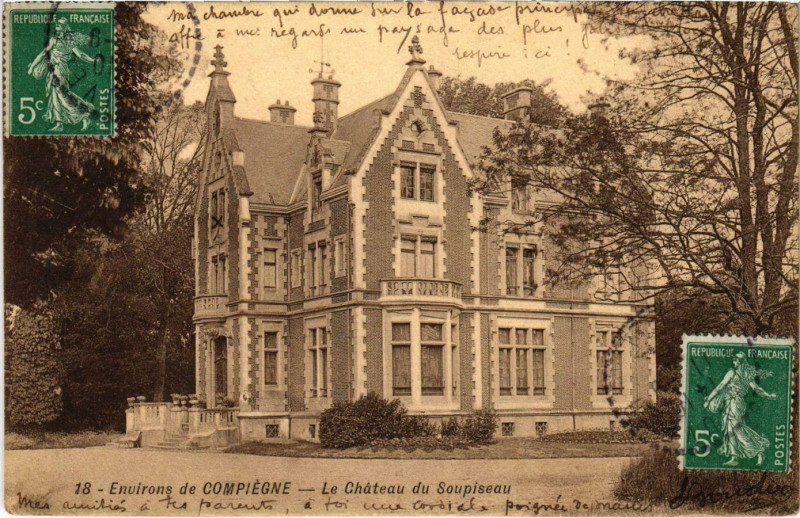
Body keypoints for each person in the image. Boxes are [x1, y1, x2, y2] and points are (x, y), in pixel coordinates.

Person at [703, 352, 776, 466]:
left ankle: (758, 449)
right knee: (730, 429)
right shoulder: (746, 374)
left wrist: (708, 400)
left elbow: (720, 386)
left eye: (736, 359)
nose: (734, 361)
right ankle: (734, 457)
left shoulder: (733, 373)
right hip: (733, 402)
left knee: (737, 428)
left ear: (740, 362)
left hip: (734, 403)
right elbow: (757, 389)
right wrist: (769, 396)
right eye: (734, 359)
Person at [27, 17, 95, 132]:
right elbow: (43, 53)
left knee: (62, 96)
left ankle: (85, 113)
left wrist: (93, 61)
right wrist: (33, 66)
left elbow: (80, 55)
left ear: (64, 27)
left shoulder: (68, 41)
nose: (57, 27)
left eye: (59, 25)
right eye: (57, 25)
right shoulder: (54, 39)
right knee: (56, 96)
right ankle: (60, 124)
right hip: (54, 70)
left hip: (60, 70)